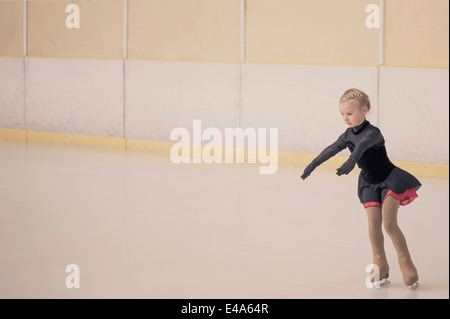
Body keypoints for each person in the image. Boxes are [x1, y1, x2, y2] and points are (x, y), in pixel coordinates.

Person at [301, 88, 421, 290]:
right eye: (342, 114)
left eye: (349, 113)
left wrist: (352, 160)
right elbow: (331, 149)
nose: (345, 118)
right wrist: (313, 164)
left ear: (363, 110)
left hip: (389, 180)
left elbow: (363, 145)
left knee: (389, 224)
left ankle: (406, 262)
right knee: (373, 226)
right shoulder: (347, 135)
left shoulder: (374, 132)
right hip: (368, 183)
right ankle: (380, 266)